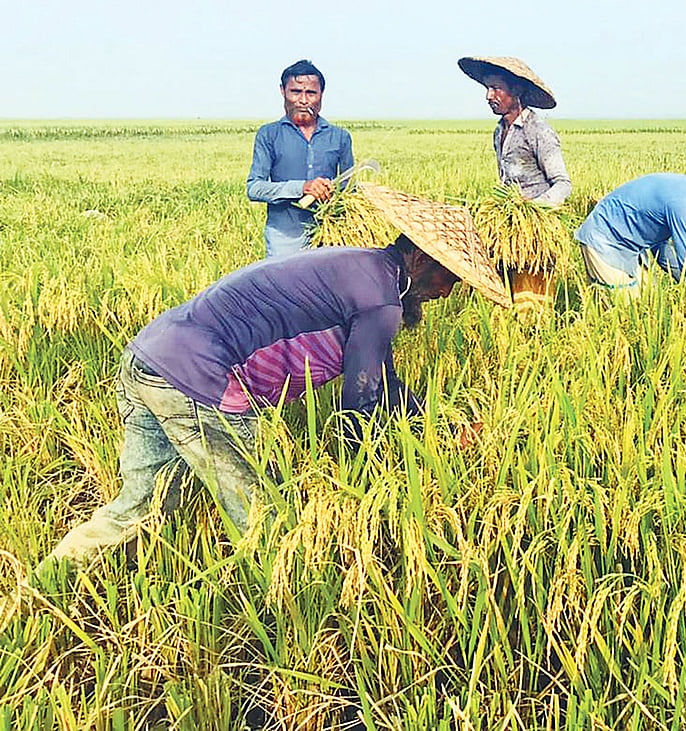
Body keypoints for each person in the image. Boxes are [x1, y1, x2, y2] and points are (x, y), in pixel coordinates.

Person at [40, 199, 506, 570]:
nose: (448, 292)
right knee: (268, 517)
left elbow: (381, 377)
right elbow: (360, 405)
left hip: (149, 358)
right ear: (422, 257)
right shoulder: (379, 298)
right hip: (201, 380)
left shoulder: (363, 267)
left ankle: (42, 588)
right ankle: (288, 612)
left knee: (140, 508)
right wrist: (368, 482)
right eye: (451, 277)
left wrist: (435, 422)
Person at [573, 157, 686, 297]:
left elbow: (662, 250)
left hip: (631, 247)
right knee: (627, 310)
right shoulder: (682, 204)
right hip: (604, 240)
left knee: (651, 301)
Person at [247, 59, 354, 258]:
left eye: (311, 93)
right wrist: (302, 187)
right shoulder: (269, 135)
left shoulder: (340, 137)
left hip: (330, 240)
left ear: (321, 95)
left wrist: (331, 191)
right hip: (284, 242)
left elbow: (350, 190)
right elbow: (254, 188)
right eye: (295, 92)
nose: (303, 100)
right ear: (283, 91)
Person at [458, 56, 571, 207]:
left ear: (517, 90)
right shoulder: (499, 131)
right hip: (510, 213)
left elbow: (563, 184)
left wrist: (533, 208)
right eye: (487, 88)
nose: (489, 96)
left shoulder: (538, 130)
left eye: (496, 88)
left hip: (536, 218)